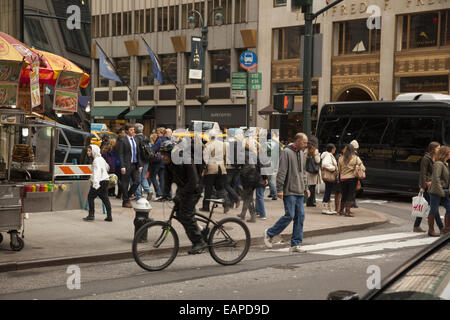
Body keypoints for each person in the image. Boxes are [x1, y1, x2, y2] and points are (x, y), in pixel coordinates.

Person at [263, 133, 311, 253]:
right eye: (304, 142)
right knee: (290, 215)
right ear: (298, 141)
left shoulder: (301, 153)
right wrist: (279, 189)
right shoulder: (286, 152)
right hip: (289, 190)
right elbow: (282, 171)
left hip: (299, 190)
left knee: (300, 216)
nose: (306, 145)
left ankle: (296, 243)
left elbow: (303, 172)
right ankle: (269, 233)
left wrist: (306, 187)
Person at [160, 140, 208, 254]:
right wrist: (166, 194)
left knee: (186, 215)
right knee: (181, 214)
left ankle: (199, 242)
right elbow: (167, 179)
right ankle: (202, 230)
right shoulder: (169, 163)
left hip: (194, 189)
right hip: (183, 189)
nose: (163, 157)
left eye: (164, 154)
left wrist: (180, 195)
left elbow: (194, 181)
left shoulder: (186, 160)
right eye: (161, 154)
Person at [238, 139, 268, 223]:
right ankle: (243, 214)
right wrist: (265, 178)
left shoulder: (241, 154)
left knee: (247, 197)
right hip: (256, 178)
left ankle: (253, 216)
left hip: (247, 179)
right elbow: (260, 166)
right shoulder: (254, 154)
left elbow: (237, 165)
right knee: (248, 196)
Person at [200, 130, 228, 213]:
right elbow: (226, 157)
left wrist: (204, 169)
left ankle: (206, 206)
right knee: (220, 188)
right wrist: (224, 166)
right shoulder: (223, 144)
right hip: (221, 168)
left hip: (211, 168)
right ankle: (226, 203)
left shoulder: (208, 145)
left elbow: (205, 159)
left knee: (208, 188)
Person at [83, 145, 112, 222]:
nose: (88, 152)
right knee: (105, 198)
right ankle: (109, 216)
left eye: (90, 151)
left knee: (90, 197)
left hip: (99, 181)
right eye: (88, 150)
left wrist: (96, 184)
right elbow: (107, 167)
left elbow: (97, 172)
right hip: (105, 180)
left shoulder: (96, 160)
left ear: (94, 151)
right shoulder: (101, 158)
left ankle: (91, 215)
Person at [416, 142, 440, 233]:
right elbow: (423, 173)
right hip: (427, 185)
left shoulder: (436, 158)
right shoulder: (426, 159)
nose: (439, 149)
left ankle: (416, 226)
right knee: (434, 206)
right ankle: (441, 227)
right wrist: (422, 186)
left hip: (433, 184)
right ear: (433, 149)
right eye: (438, 148)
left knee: (425, 205)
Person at [117, 124, 143, 208]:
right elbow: (120, 154)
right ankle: (126, 201)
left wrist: (140, 165)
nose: (133, 131)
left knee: (137, 181)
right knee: (125, 183)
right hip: (126, 165)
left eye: (133, 130)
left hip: (135, 165)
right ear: (127, 131)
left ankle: (126, 197)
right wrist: (122, 166)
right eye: (131, 130)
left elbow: (139, 153)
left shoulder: (136, 139)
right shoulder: (122, 140)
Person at [428, 145, 450, 237]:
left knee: (449, 208)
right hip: (436, 191)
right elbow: (435, 179)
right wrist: (441, 192)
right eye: (449, 152)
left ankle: (446, 229)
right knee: (433, 209)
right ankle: (431, 230)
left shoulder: (445, 164)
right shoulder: (438, 164)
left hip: (444, 191)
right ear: (445, 154)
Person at [338, 144, 365, 217]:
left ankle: (341, 211)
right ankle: (347, 211)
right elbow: (363, 168)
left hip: (343, 179)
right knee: (350, 195)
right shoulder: (356, 158)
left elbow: (339, 170)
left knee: (344, 195)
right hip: (352, 179)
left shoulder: (341, 158)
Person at [133, 123, 153, 201]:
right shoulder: (146, 137)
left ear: (135, 130)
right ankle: (149, 190)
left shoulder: (135, 139)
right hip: (146, 160)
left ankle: (139, 195)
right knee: (143, 177)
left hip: (139, 161)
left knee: (137, 178)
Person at [320, 143, 339, 215]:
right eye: (334, 148)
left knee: (328, 191)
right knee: (328, 191)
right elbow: (325, 164)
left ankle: (327, 208)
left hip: (328, 177)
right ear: (332, 149)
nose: (335, 150)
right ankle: (325, 208)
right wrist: (333, 168)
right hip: (329, 176)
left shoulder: (328, 155)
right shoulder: (328, 155)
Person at [150, 128, 167, 201]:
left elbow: (154, 150)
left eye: (158, 132)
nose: (157, 134)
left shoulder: (159, 140)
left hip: (157, 162)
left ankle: (159, 193)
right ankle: (162, 194)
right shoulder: (166, 140)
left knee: (152, 177)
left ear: (161, 133)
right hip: (164, 161)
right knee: (162, 178)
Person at [305, 136, 321, 207]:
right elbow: (318, 160)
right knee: (312, 187)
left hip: (307, 170)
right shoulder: (315, 150)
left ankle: (309, 201)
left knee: (309, 186)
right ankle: (310, 202)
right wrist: (318, 155)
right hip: (313, 171)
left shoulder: (306, 149)